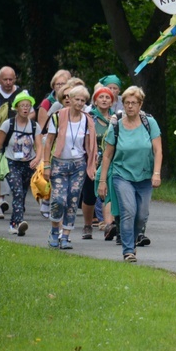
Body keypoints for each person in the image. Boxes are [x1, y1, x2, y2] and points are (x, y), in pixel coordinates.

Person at [97, 86, 162, 263]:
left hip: (145, 176)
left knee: (142, 215)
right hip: (122, 174)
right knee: (128, 211)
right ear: (123, 104)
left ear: (140, 104)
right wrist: (102, 181)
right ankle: (128, 251)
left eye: (134, 103)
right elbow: (108, 155)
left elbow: (158, 150)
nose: (130, 106)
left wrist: (156, 173)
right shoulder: (116, 125)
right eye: (127, 103)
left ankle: (131, 241)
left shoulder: (150, 123)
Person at [43, 85, 97, 250]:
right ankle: (54, 231)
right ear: (70, 99)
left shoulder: (87, 120)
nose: (80, 103)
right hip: (59, 163)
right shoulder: (58, 117)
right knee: (59, 200)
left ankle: (65, 236)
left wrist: (92, 165)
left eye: (83, 100)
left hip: (78, 165)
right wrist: (46, 164)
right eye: (77, 99)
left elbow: (90, 146)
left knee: (73, 200)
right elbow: (49, 142)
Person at [0, 90, 42, 236]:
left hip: (28, 164)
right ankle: (17, 223)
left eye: (28, 106)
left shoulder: (34, 126)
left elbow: (39, 146)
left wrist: (37, 158)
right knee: (17, 191)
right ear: (16, 108)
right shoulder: (8, 125)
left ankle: (16, 222)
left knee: (21, 192)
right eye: (23, 106)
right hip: (12, 162)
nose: (26, 108)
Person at [0, 66, 27, 219]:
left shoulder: (22, 93)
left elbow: (32, 112)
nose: (8, 82)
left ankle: (18, 203)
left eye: (11, 79)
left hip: (18, 139)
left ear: (15, 79)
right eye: (5, 79)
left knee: (20, 172)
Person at [79, 85, 114, 240]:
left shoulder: (116, 119)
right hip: (92, 162)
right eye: (101, 97)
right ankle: (87, 225)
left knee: (109, 195)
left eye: (108, 97)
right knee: (89, 196)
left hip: (110, 162)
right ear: (95, 100)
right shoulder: (89, 118)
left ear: (112, 102)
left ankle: (108, 226)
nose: (104, 100)